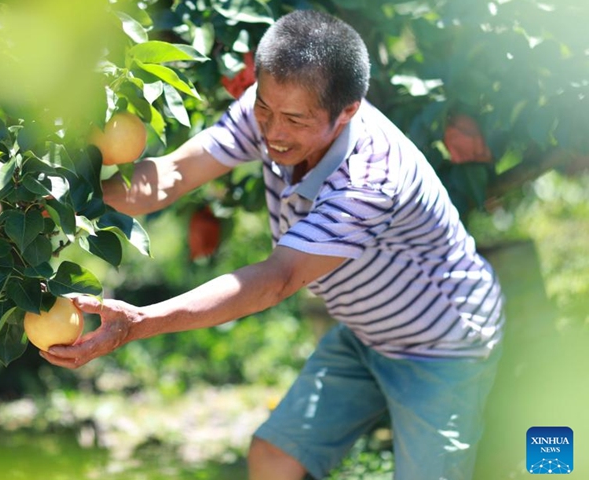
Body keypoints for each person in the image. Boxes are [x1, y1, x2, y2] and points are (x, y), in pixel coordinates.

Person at [41, 9, 504, 480]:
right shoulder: (271, 109)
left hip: (442, 344)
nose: (274, 133)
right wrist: (57, 196)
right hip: (367, 333)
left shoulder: (370, 179)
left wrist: (140, 322)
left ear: (348, 111)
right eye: (265, 108)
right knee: (273, 459)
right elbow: (176, 173)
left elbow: (275, 279)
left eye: (295, 120)